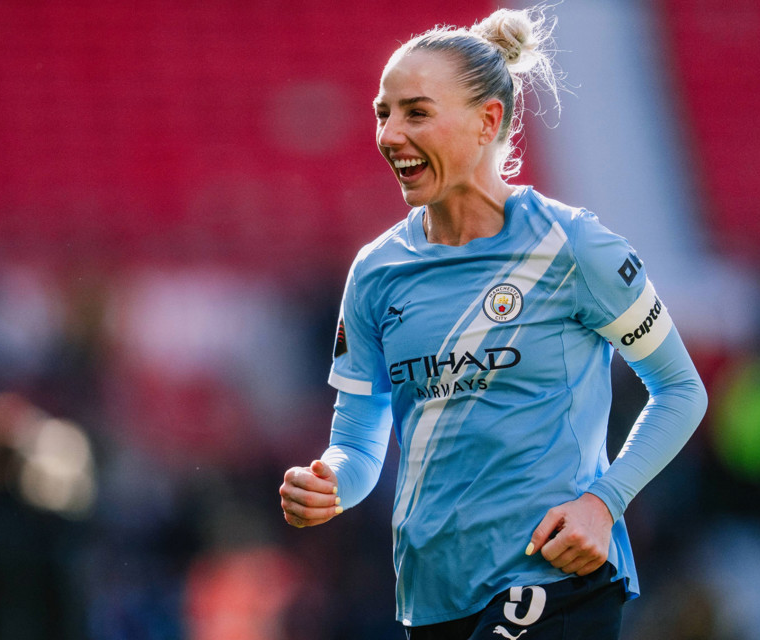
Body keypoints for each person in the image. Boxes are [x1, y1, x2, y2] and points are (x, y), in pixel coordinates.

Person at [279, 6, 708, 639]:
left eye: (416, 113)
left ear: (488, 120)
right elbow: (360, 444)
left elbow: (680, 389)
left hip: (554, 576)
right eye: (383, 113)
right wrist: (330, 482)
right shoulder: (375, 272)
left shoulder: (573, 247)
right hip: (432, 596)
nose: (390, 135)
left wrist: (604, 503)